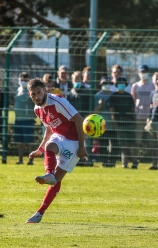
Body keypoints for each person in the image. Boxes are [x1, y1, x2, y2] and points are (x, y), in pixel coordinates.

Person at [25, 78, 88, 223]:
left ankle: (40, 212)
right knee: (49, 147)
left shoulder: (58, 102)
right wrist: (40, 150)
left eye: (39, 92)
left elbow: (79, 120)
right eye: (33, 94)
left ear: (45, 90)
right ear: (29, 95)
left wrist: (82, 146)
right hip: (59, 136)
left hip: (73, 141)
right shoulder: (37, 109)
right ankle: (49, 173)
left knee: (57, 179)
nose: (37, 96)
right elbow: (49, 129)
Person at [109, 77, 138, 168]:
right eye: (119, 83)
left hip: (130, 123)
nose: (121, 85)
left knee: (132, 144)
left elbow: (133, 110)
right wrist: (115, 124)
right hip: (120, 124)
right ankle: (124, 163)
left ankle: (134, 163)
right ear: (117, 85)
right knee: (123, 145)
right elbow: (112, 111)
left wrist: (134, 121)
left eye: (123, 83)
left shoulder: (129, 96)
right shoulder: (113, 96)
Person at [131, 65, 155, 163]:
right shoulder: (135, 86)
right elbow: (133, 100)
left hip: (150, 117)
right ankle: (135, 162)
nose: (143, 74)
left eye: (145, 72)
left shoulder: (153, 85)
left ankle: (154, 163)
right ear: (138, 73)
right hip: (139, 117)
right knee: (137, 141)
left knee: (153, 142)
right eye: (141, 72)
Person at [94, 76, 117, 167]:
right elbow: (94, 111)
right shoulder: (97, 96)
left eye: (109, 83)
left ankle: (112, 162)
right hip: (102, 124)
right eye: (104, 83)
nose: (107, 85)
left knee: (114, 145)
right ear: (101, 85)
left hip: (113, 124)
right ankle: (104, 162)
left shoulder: (114, 94)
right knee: (103, 144)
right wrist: (100, 105)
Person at [13, 72, 36, 165]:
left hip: (28, 119)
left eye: (25, 79)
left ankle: (31, 160)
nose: (23, 80)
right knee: (19, 141)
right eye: (21, 78)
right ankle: (20, 160)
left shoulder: (31, 90)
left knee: (30, 141)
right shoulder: (17, 90)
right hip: (18, 119)